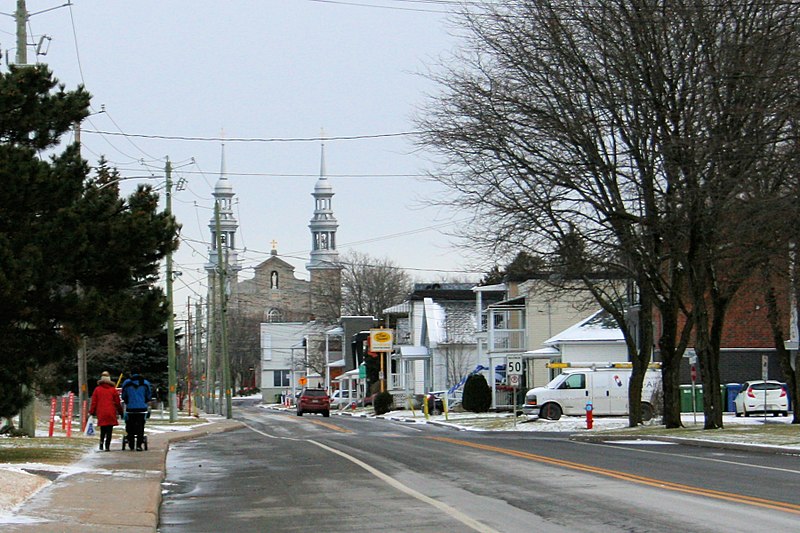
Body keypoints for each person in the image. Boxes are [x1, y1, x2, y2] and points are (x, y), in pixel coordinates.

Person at [89, 371, 123, 451]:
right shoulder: (113, 390)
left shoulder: (97, 390)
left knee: (103, 429)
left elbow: (94, 402)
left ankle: (101, 443)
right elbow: (117, 402)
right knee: (109, 430)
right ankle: (107, 446)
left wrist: (91, 412)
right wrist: (121, 412)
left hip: (101, 412)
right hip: (111, 412)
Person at [121, 368, 152, 451]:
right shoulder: (145, 383)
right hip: (142, 408)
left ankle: (131, 443)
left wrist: (128, 401)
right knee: (141, 426)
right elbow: (148, 396)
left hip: (130, 409)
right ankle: (139, 445)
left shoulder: (127, 383)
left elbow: (123, 396)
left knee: (130, 426)